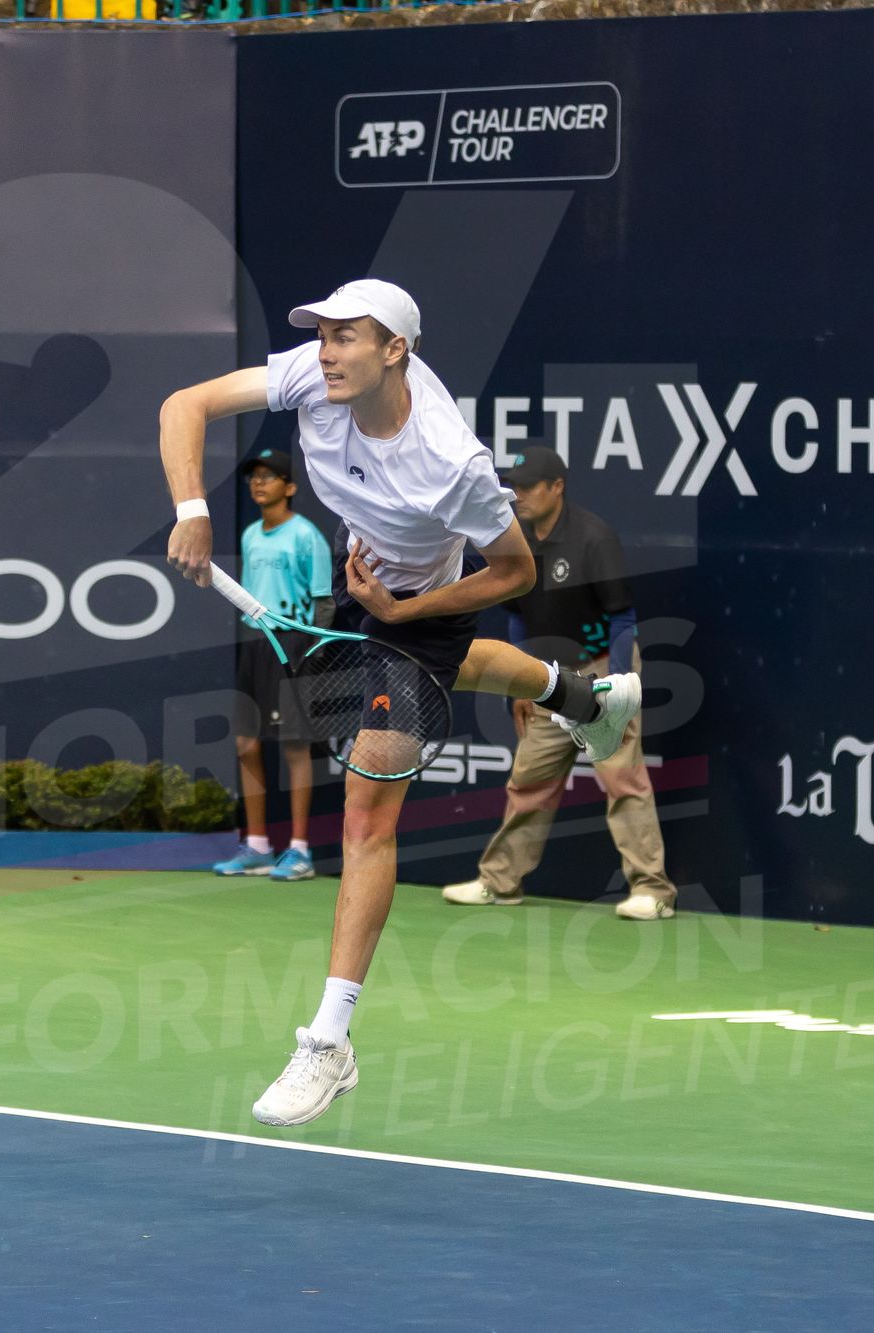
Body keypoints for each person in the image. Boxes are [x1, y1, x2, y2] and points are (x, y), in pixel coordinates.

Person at [160, 278, 643, 1127]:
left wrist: (405, 611)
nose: (326, 351)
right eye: (323, 334)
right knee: (449, 669)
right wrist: (193, 510)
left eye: (347, 336)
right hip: (364, 569)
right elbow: (184, 403)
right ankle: (579, 696)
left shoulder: (452, 462)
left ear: (396, 351)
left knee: (365, 819)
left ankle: (329, 1040)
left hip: (423, 602)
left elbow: (515, 573)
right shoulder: (313, 376)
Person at [440, 445, 678, 921]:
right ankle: (500, 882)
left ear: (557, 487)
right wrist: (523, 682)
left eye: (529, 488)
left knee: (623, 780)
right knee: (529, 780)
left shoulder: (593, 537)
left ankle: (653, 890)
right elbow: (515, 616)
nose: (519, 496)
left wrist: (619, 684)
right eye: (515, 487)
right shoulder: (514, 539)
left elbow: (622, 617)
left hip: (602, 669)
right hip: (548, 679)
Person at [211, 447, 334, 883]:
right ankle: (258, 847)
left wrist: (312, 653)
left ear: (290, 487)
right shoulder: (250, 535)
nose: (258, 483)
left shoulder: (306, 536)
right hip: (255, 644)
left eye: (269, 476)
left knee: (295, 748)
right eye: (254, 476)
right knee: (246, 744)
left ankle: (299, 851)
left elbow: (323, 602)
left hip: (294, 644)